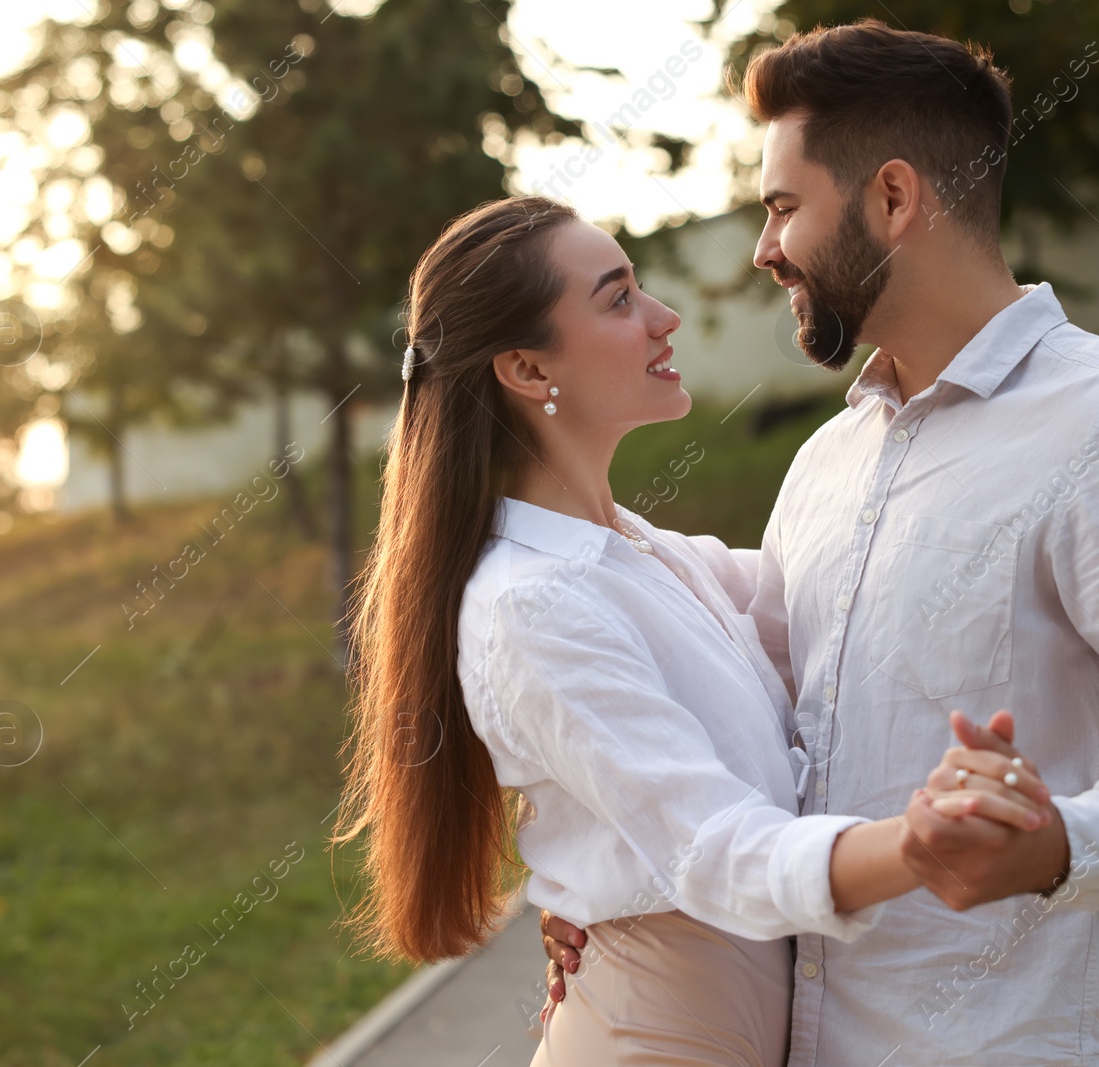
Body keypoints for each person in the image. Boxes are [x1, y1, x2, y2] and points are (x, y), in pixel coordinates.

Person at [541, 19, 1099, 1066]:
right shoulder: (825, 464)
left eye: (783, 208)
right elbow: (747, 736)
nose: (762, 249)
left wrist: (1061, 842)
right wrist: (619, 903)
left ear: (892, 199)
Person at [333, 194, 1053, 1067]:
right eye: (619, 299)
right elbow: (716, 849)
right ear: (526, 369)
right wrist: (918, 842)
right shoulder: (533, 602)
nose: (664, 319)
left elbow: (852, 597)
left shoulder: (644, 552)